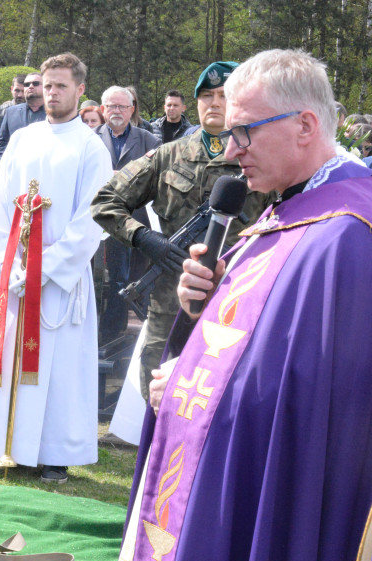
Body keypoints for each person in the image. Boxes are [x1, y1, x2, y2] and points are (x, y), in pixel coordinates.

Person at [97, 48, 372, 561]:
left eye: (246, 131)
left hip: (275, 495)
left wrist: (193, 384)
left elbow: (319, 395)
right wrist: (200, 312)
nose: (232, 150)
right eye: (227, 134)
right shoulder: (276, 215)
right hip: (217, 476)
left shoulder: (349, 234)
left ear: (305, 126)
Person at [0, 53, 111, 484]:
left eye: (61, 86)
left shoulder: (90, 147)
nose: (52, 93)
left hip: (59, 278)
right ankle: (0, 443)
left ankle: (53, 453)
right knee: (6, 356)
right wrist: (3, 263)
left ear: (81, 89)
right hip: (15, 271)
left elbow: (94, 217)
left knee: (59, 365)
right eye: (46, 86)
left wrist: (46, 268)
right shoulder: (24, 139)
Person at [91, 61, 273, 396]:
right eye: (206, 95)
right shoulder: (167, 156)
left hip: (236, 299)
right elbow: (104, 202)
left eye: (224, 96)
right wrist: (145, 238)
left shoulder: (261, 160)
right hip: (169, 299)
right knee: (158, 387)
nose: (214, 103)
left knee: (225, 390)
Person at [95, 86, 159, 344]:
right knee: (102, 277)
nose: (117, 111)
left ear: (132, 110)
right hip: (99, 217)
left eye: (122, 106)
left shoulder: (149, 140)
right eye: (111, 106)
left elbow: (155, 175)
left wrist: (117, 175)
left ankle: (117, 331)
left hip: (136, 220)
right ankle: (101, 330)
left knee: (128, 277)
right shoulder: (90, 138)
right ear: (102, 109)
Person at [0, 71, 46, 159]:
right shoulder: (11, 112)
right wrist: (6, 164)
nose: (30, 86)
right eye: (27, 84)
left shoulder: (55, 113)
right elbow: (1, 143)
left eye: (35, 83)